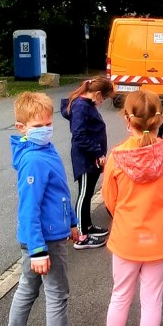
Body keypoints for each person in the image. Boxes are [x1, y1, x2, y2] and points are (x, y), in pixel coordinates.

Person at [2, 92, 95, 326]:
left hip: (43, 236)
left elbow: (59, 195)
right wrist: (39, 250)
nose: (45, 130)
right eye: (37, 126)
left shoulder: (44, 150)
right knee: (56, 293)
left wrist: (73, 223)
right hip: (44, 242)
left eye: (47, 123)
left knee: (27, 289)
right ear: (22, 128)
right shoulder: (33, 160)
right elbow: (29, 209)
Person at [99, 90, 163, 326]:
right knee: (151, 300)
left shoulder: (117, 157)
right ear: (160, 119)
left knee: (119, 296)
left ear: (127, 118)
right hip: (158, 238)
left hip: (125, 238)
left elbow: (110, 200)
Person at [61, 77, 115, 249]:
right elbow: (79, 136)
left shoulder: (87, 104)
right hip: (85, 158)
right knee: (84, 194)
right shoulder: (81, 107)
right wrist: (97, 152)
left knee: (89, 192)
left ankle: (88, 225)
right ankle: (81, 236)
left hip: (91, 157)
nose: (102, 102)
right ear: (97, 94)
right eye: (104, 99)